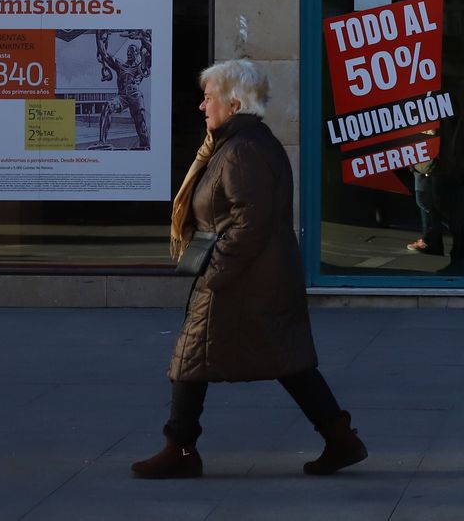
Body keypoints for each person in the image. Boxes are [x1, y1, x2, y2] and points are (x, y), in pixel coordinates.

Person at [131, 59, 366, 479]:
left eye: (209, 98)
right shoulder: (239, 144)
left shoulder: (244, 151)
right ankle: (340, 437)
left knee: (191, 359)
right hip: (259, 278)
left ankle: (180, 449)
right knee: (285, 360)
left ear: (234, 103)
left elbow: (248, 222)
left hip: (242, 279)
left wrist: (214, 273)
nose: (202, 107)